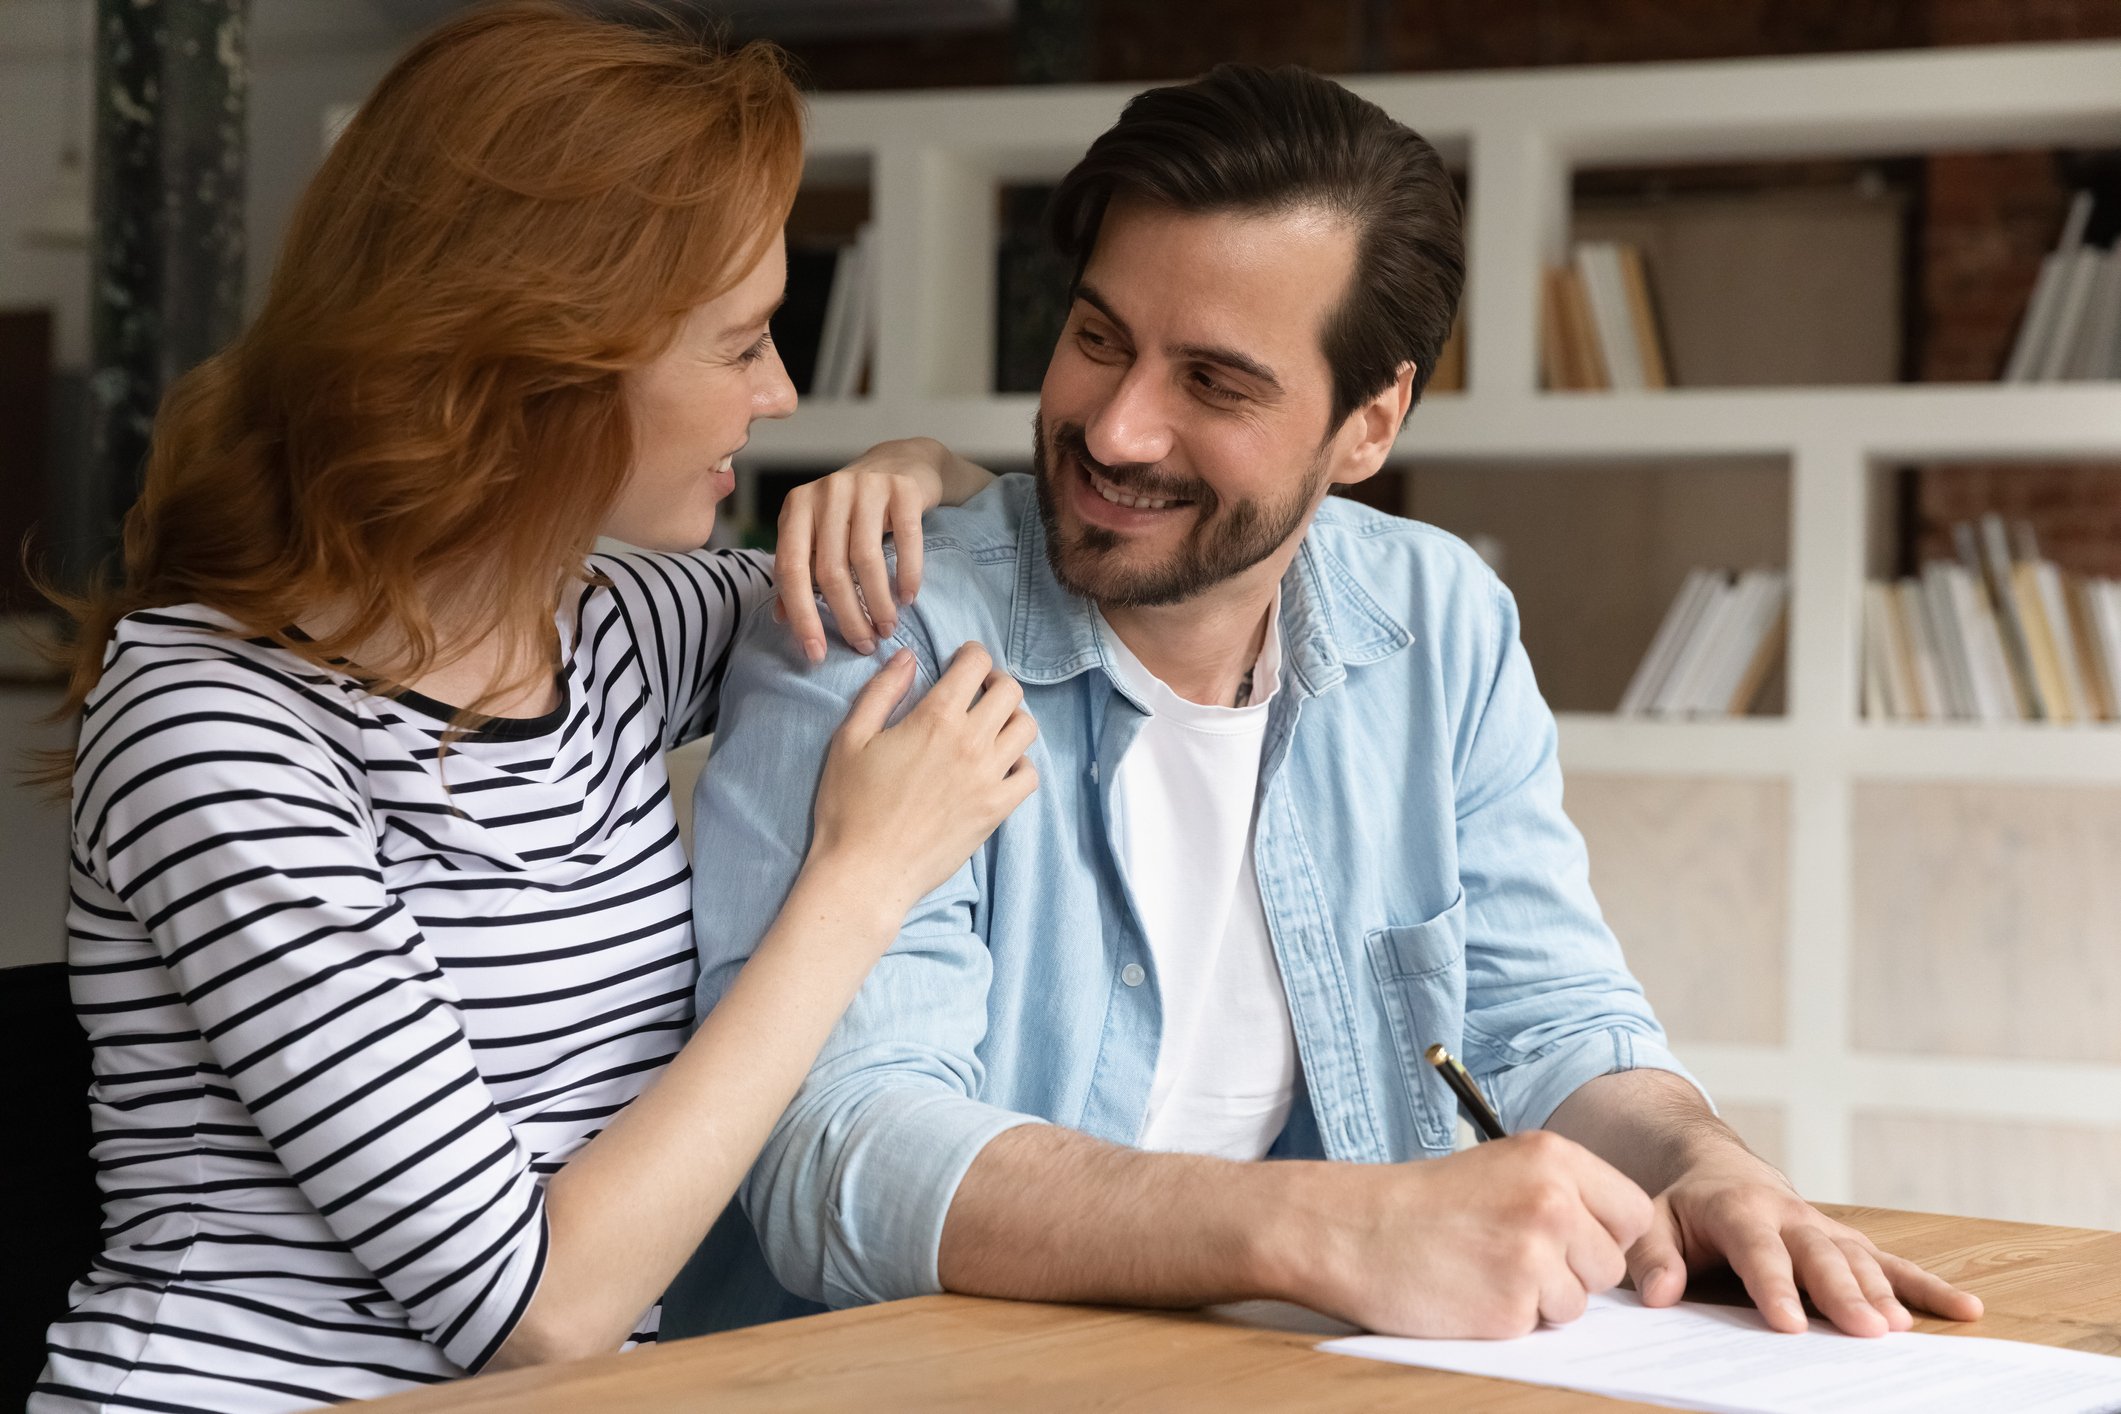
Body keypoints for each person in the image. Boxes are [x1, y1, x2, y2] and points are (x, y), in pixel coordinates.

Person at [669, 63, 1984, 1343]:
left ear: (1369, 422)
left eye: (1214, 382)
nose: (1118, 427)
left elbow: (1545, 1018)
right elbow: (834, 1149)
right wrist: (1329, 1225)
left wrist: (1708, 1166)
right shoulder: (876, 616)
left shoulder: (1437, 622)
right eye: (1096, 339)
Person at [31, 5, 1037, 1411]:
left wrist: (909, 465)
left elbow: (982, 568)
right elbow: (531, 1309)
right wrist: (860, 880)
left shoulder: (612, 620)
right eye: (741, 343)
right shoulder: (215, 722)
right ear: (546, 360)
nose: (780, 391)